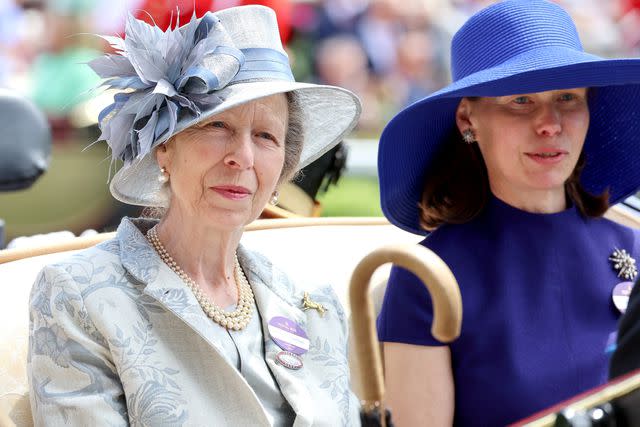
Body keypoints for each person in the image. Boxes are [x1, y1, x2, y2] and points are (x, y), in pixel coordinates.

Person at [27, 5, 362, 426]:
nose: (242, 157)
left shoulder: (313, 301)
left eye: (265, 136)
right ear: (164, 146)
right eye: (217, 126)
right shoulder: (79, 292)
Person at [375, 1, 640, 426]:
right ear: (468, 119)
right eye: (521, 100)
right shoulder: (428, 277)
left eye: (567, 98)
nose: (550, 123)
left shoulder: (634, 248)